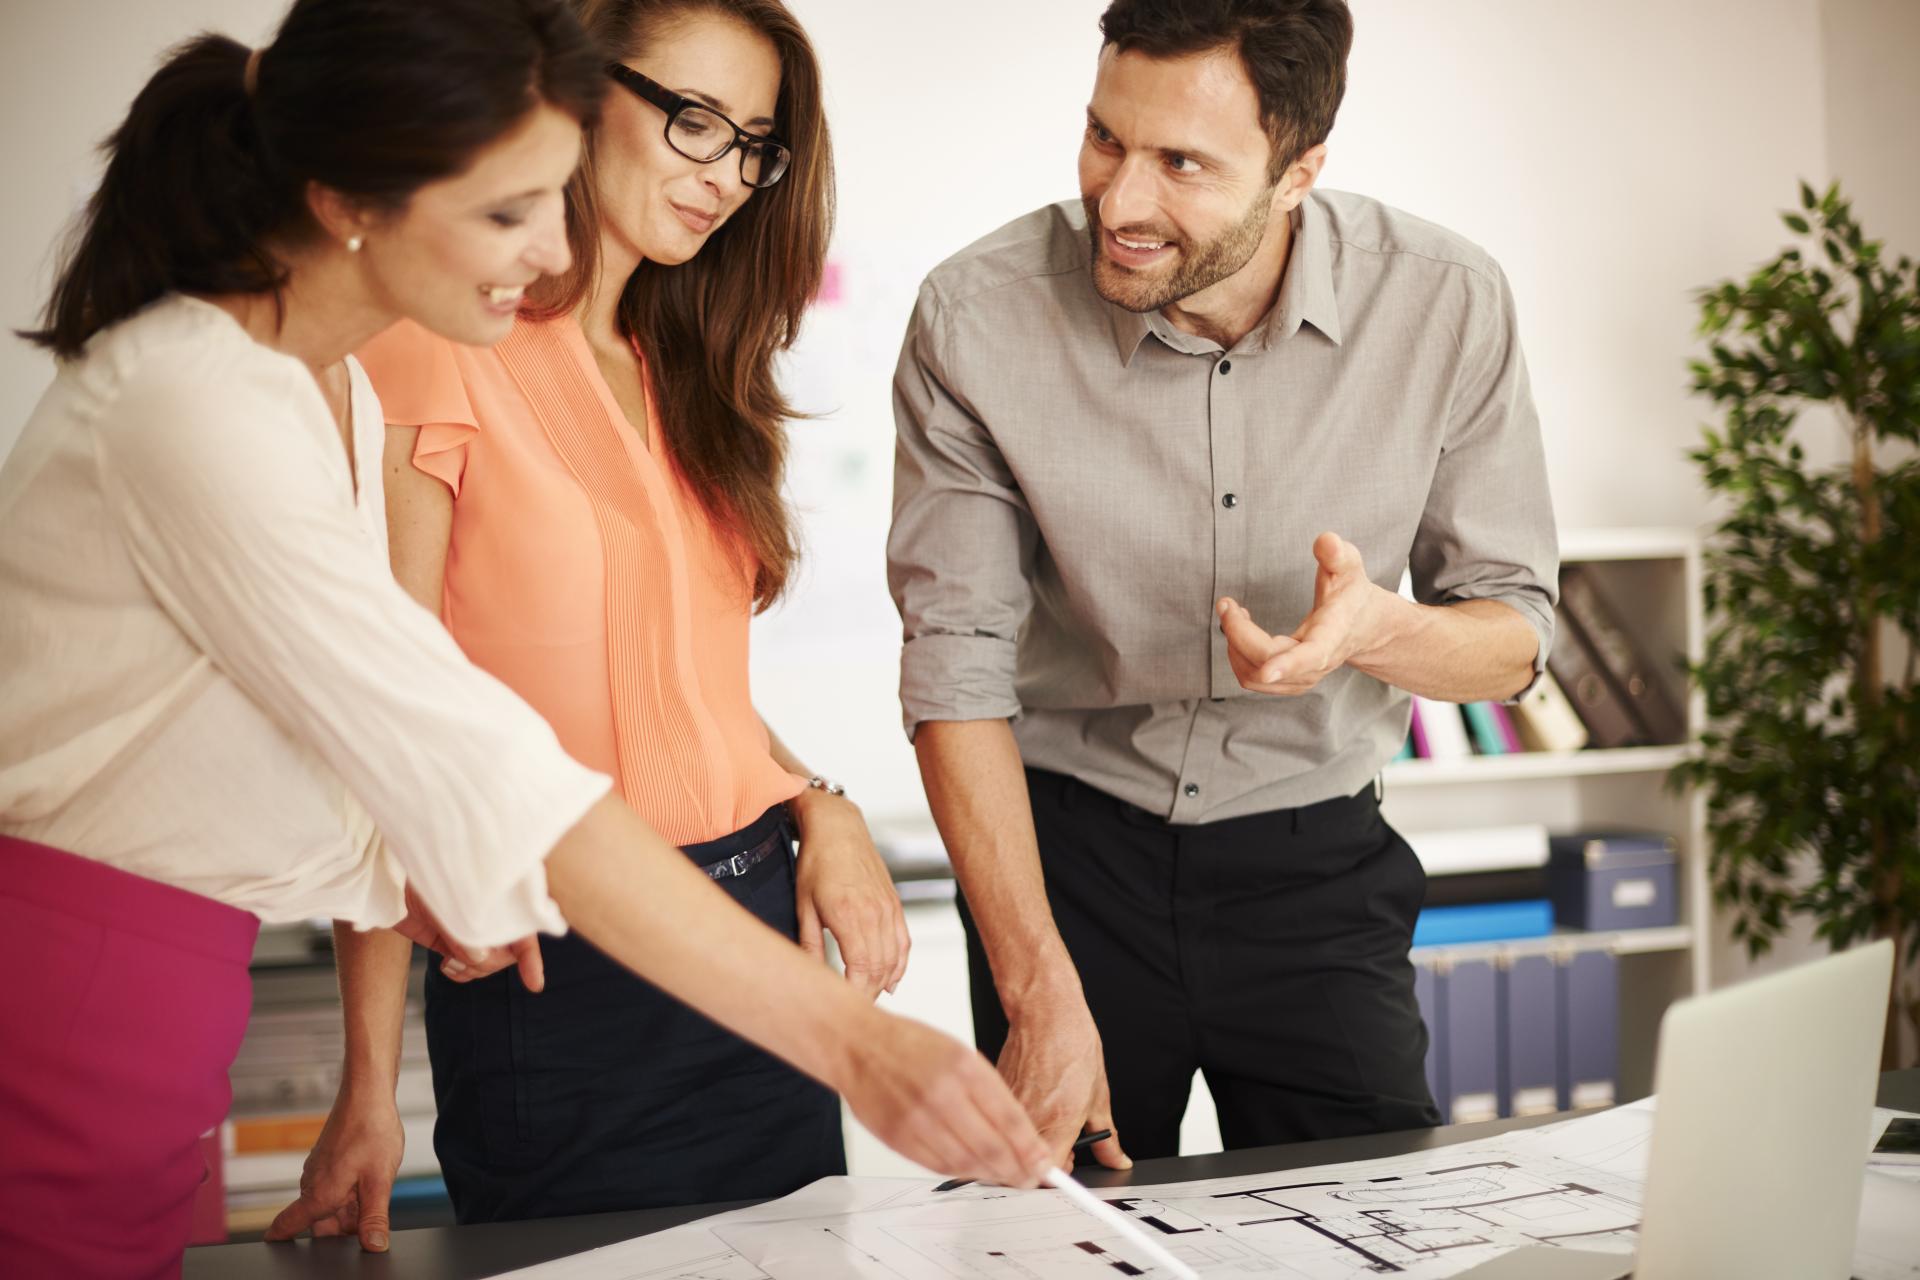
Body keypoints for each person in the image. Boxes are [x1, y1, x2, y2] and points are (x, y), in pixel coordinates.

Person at [0, 1, 1046, 1273]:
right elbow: (459, 741)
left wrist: (797, 808)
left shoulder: (302, 383)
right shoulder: (197, 403)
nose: (551, 245)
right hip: (87, 989)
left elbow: (464, 735)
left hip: (177, 991)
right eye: (508, 211)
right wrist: (861, 1041)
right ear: (349, 197)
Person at [889, 0, 1558, 1168]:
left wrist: (1377, 631)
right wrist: (1038, 988)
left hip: (1319, 869)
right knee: (1055, 1241)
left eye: (1182, 164)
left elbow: (1514, 635)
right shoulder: (974, 318)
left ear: (1299, 170)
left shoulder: (1448, 303)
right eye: (1106, 138)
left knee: (1370, 1232)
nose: (1120, 200)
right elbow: (955, 668)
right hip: (1065, 865)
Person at [278, 0, 909, 1232]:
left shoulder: (691, 368)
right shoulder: (436, 340)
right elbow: (386, 712)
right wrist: (367, 1082)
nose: (724, 173)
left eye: (754, 144)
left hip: (761, 953)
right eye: (692, 120)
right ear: (575, 92)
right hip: (563, 969)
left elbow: (694, 701)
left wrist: (817, 804)